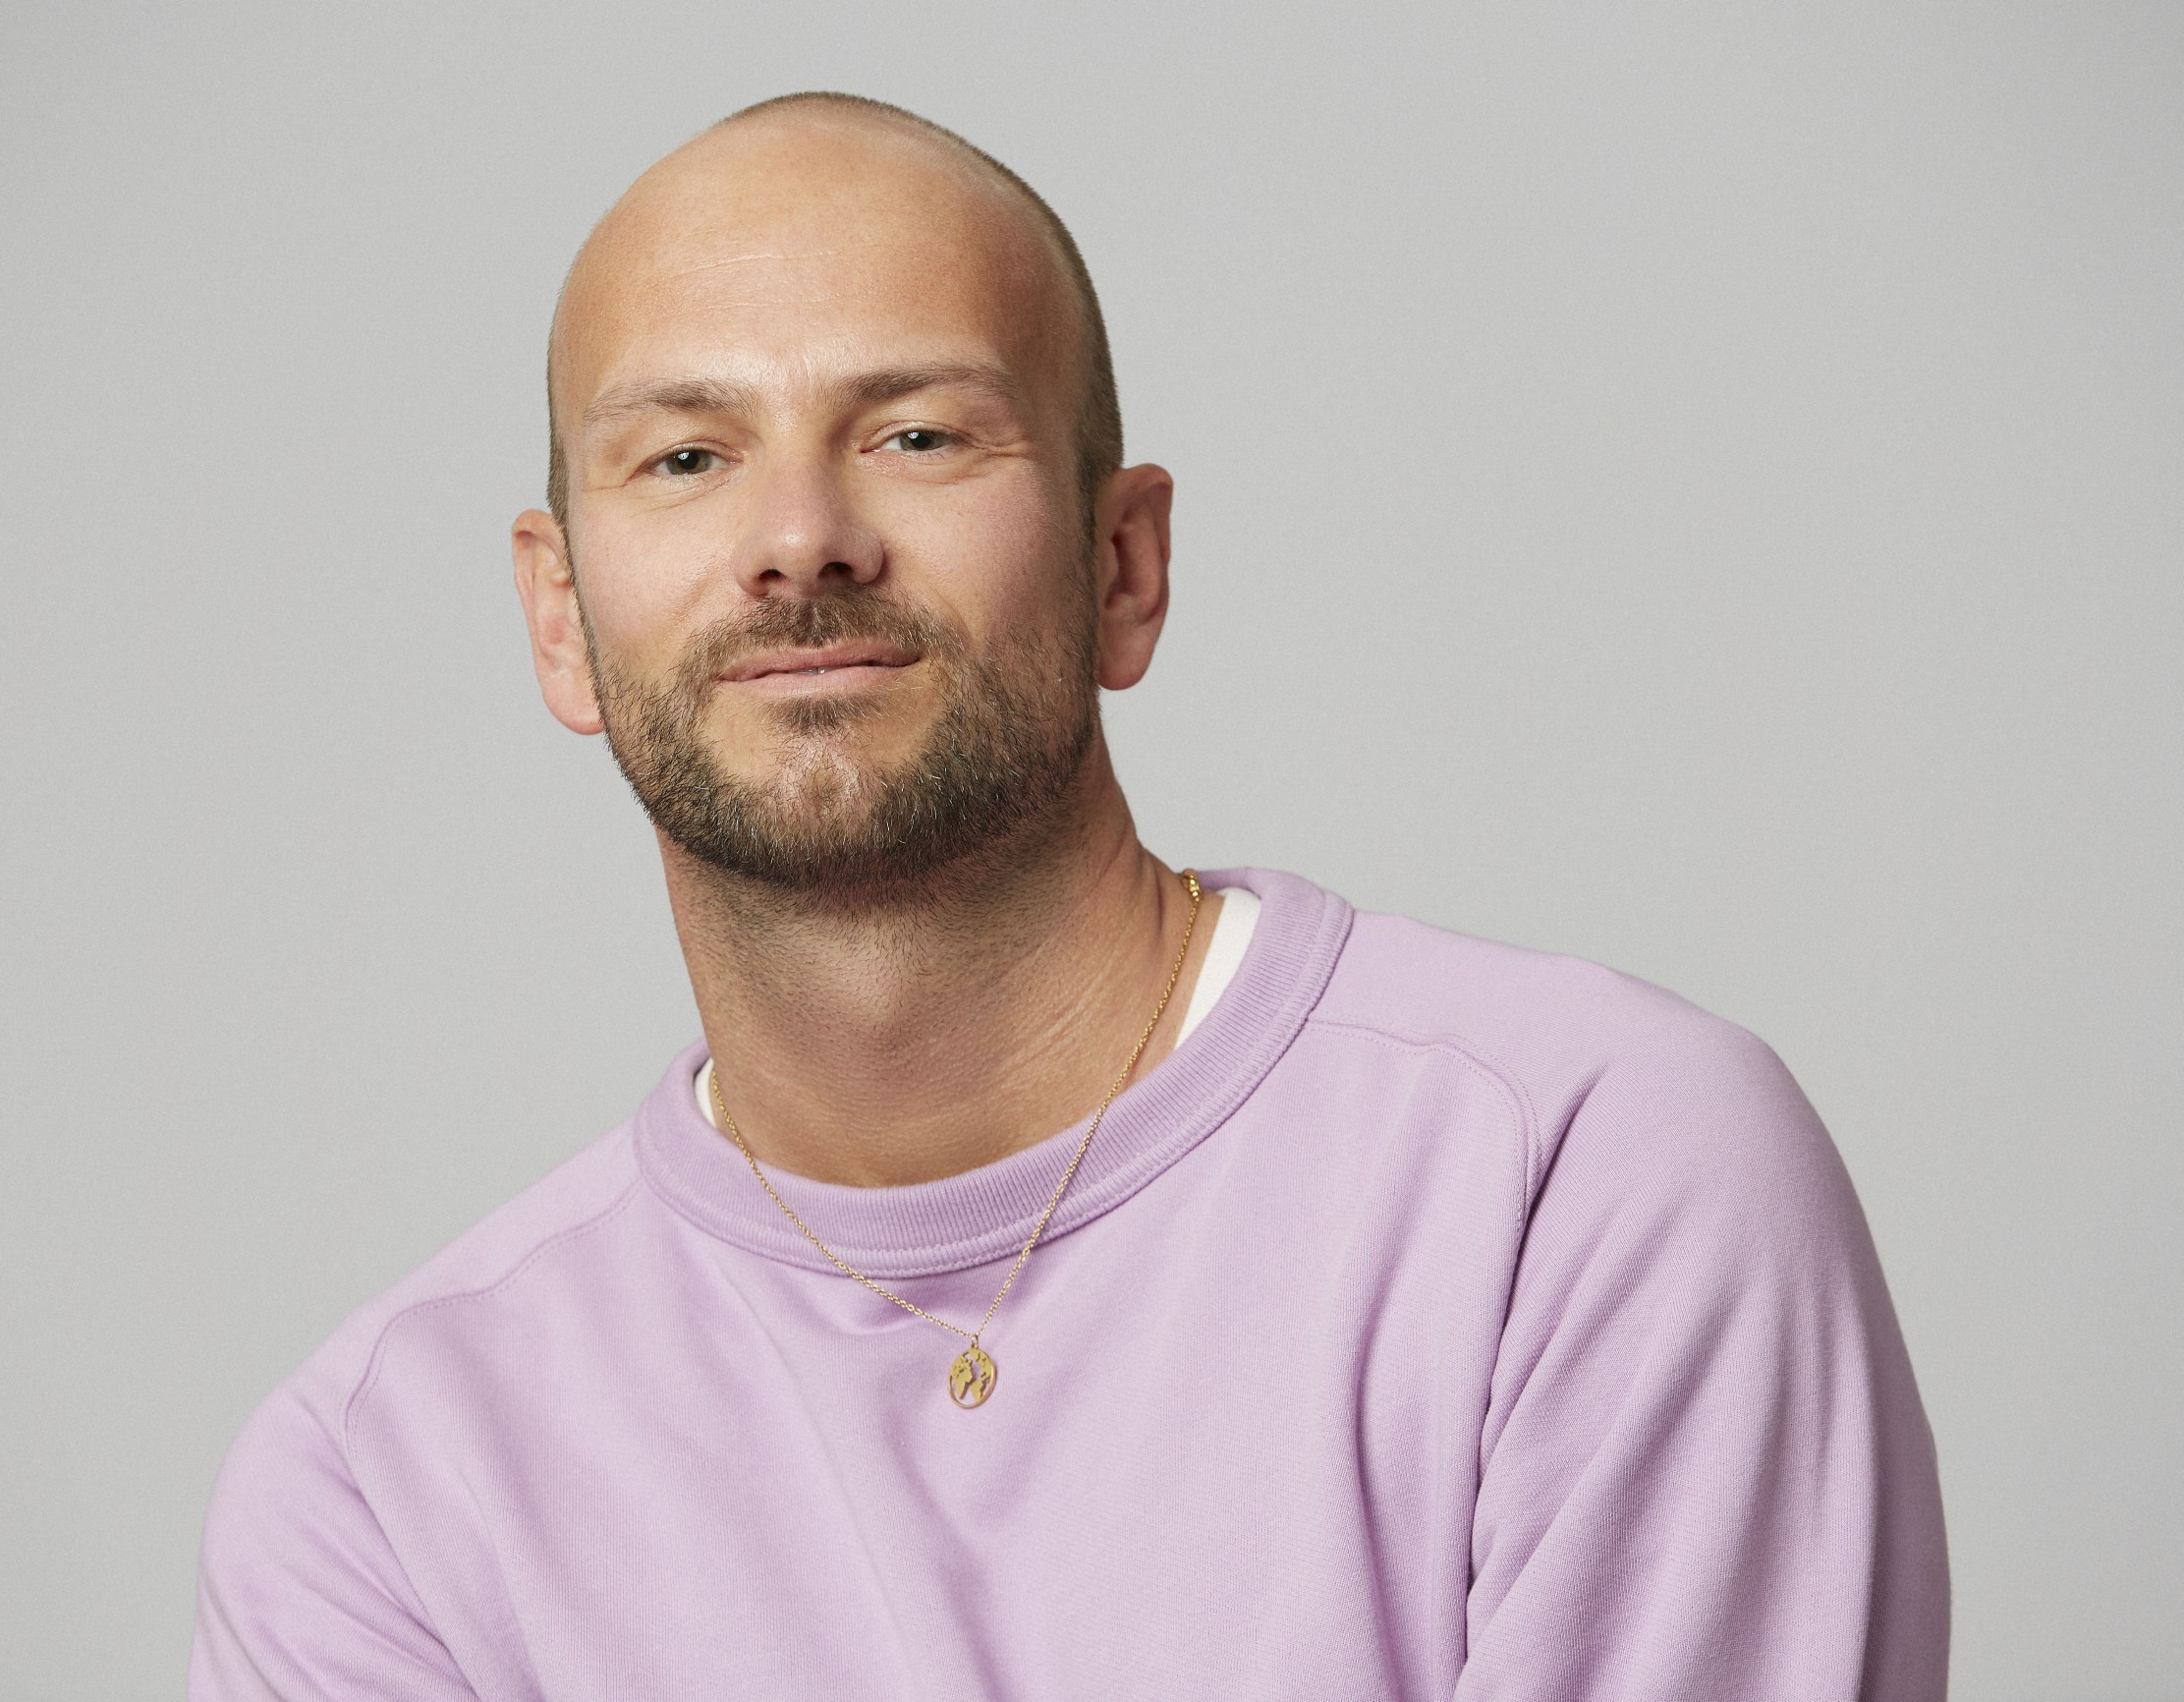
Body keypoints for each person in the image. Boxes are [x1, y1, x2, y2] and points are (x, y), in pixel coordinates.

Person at [191, 91, 1947, 1699]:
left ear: (1123, 565)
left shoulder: (1579, 1177)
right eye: (685, 458)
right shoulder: (379, 1494)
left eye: (917, 435)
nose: (799, 539)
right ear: (560, 616)